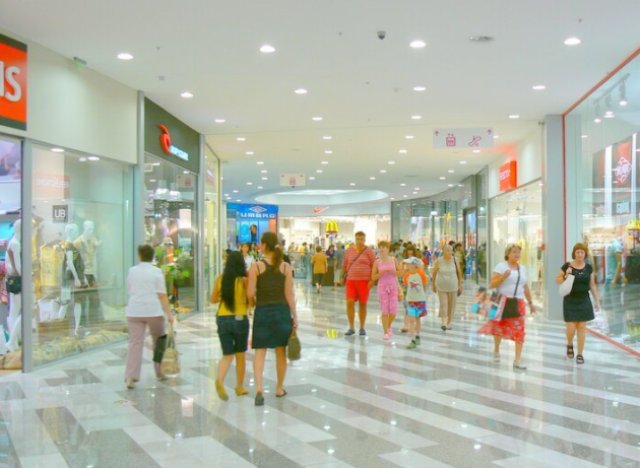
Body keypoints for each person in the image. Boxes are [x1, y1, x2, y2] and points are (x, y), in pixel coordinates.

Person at [247, 232, 298, 406]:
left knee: (260, 351)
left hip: (262, 311)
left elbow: (250, 293)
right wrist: (295, 315)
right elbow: (289, 294)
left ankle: (259, 390)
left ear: (264, 245)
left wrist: (253, 302)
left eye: (260, 243)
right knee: (280, 351)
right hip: (281, 312)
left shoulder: (256, 267)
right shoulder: (285, 267)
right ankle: (279, 388)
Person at [125, 245, 175, 389]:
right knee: (159, 342)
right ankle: (160, 372)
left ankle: (131, 376)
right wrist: (169, 314)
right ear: (152, 257)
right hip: (154, 312)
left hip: (134, 311)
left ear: (139, 256)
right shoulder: (157, 272)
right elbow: (162, 296)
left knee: (135, 343)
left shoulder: (132, 271)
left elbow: (130, 290)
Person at [479, 244, 536, 370]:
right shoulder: (501, 266)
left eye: (518, 252)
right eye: (514, 252)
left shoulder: (523, 268)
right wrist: (503, 277)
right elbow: (492, 284)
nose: (517, 254)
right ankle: (496, 350)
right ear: (507, 254)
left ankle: (517, 359)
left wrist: (531, 303)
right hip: (501, 301)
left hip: (518, 302)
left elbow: (525, 287)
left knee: (520, 329)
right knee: (498, 327)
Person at [210, 251, 251, 400]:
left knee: (227, 355)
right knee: (240, 355)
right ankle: (239, 387)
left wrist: (223, 295)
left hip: (222, 318)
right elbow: (251, 301)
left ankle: (220, 380)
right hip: (240, 319)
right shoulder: (244, 280)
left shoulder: (221, 279)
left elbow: (213, 299)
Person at [556, 242, 601, 364]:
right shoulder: (567, 266)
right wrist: (566, 276)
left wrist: (597, 301)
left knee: (582, 327)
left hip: (584, 300)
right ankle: (570, 344)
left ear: (585, 254)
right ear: (574, 253)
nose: (580, 254)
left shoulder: (588, 268)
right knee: (571, 328)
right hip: (570, 300)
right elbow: (557, 279)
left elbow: (592, 285)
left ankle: (580, 354)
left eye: (582, 252)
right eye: (578, 252)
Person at [343, 231, 376, 336]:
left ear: (365, 240)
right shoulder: (349, 250)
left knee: (363, 303)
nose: (359, 241)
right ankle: (351, 327)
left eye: (361, 239)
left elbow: (374, 265)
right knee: (349, 302)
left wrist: (372, 280)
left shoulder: (369, 251)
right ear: (355, 239)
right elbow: (345, 264)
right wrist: (341, 276)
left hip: (364, 281)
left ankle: (362, 327)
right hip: (351, 281)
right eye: (357, 239)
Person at [371, 241, 402, 340]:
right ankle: (385, 332)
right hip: (382, 287)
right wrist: (381, 273)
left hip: (393, 287)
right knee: (384, 311)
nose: (382, 249)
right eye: (380, 247)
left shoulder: (393, 260)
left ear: (388, 249)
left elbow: (400, 273)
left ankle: (388, 326)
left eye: (384, 247)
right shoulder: (377, 262)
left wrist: (394, 271)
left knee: (393, 310)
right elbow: (373, 277)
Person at [432, 244, 462, 331]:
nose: (449, 252)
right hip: (441, 286)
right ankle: (444, 322)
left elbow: (459, 273)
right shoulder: (439, 261)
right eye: (447, 250)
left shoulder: (455, 260)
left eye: (450, 250)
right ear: (443, 252)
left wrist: (460, 285)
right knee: (443, 304)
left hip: (453, 286)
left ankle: (449, 322)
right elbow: (434, 273)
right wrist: (433, 285)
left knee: (451, 305)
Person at [403, 257, 428, 349]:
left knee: (417, 319)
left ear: (414, 265)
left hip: (420, 300)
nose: (407, 265)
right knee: (411, 319)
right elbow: (406, 285)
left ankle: (417, 336)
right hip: (411, 300)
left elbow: (425, 284)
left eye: (409, 264)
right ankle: (413, 339)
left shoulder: (421, 274)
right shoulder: (406, 275)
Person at [400, 245, 423, 333]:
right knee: (407, 305)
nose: (410, 255)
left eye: (411, 254)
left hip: (416, 287)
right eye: (408, 254)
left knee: (416, 305)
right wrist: (405, 270)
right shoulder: (403, 262)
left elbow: (421, 273)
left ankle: (416, 323)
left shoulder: (418, 262)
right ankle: (406, 324)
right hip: (406, 287)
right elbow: (400, 274)